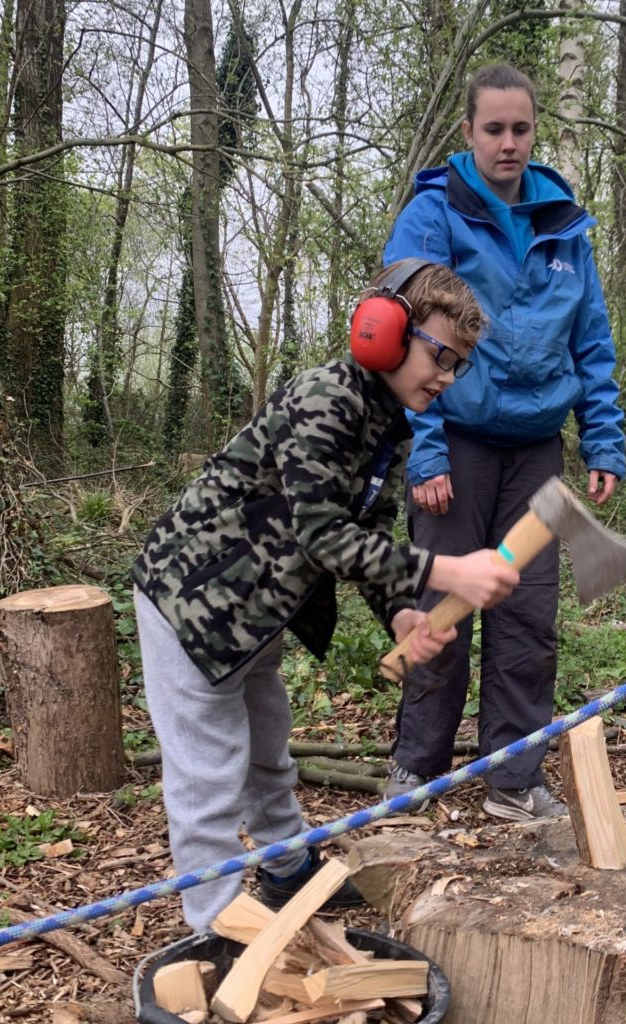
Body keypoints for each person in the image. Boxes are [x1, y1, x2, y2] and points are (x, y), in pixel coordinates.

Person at [132, 260, 520, 932]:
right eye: (440, 356)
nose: (447, 377)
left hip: (254, 613)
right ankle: (218, 931)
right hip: (192, 606)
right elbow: (321, 535)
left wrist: (399, 609)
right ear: (387, 334)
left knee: (267, 745)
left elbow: (364, 534)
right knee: (208, 774)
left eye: (459, 364)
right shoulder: (325, 400)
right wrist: (449, 573)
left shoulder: (385, 422)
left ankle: (286, 871)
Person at [383, 64, 626, 821]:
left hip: (536, 450)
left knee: (526, 617)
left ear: (533, 132)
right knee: (444, 610)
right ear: (468, 132)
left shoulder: (566, 226)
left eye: (521, 129)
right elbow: (403, 337)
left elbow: (592, 342)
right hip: (453, 441)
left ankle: (515, 780)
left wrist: (604, 442)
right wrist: (423, 447)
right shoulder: (433, 215)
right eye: (494, 129)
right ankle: (414, 774)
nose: (509, 143)